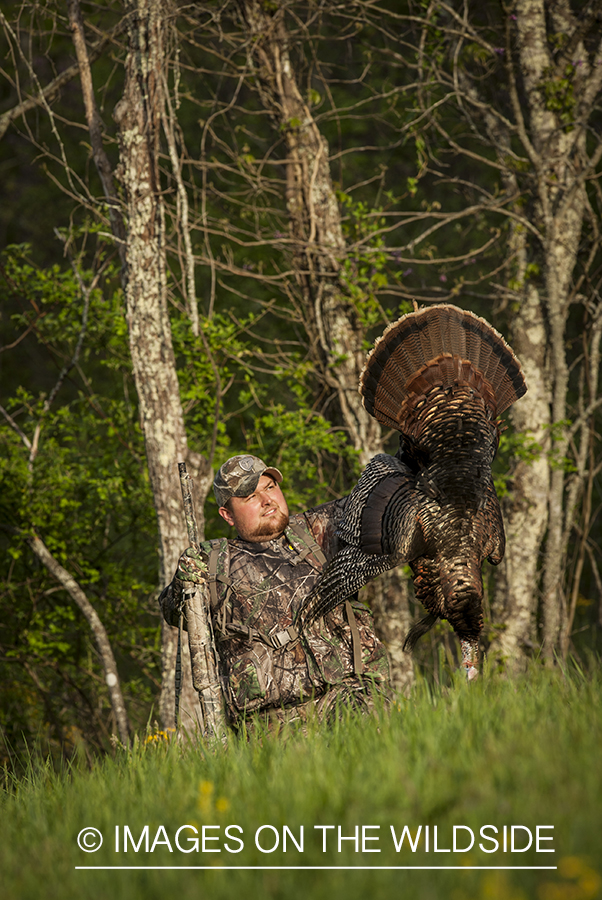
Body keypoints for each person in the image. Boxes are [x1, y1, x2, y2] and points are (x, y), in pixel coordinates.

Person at [160, 454, 389, 729]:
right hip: (274, 724)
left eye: (270, 487)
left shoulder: (320, 529)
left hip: (351, 696)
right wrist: (184, 581)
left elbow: (380, 498)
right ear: (227, 515)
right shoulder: (214, 562)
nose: (267, 500)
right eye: (250, 496)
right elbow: (173, 610)